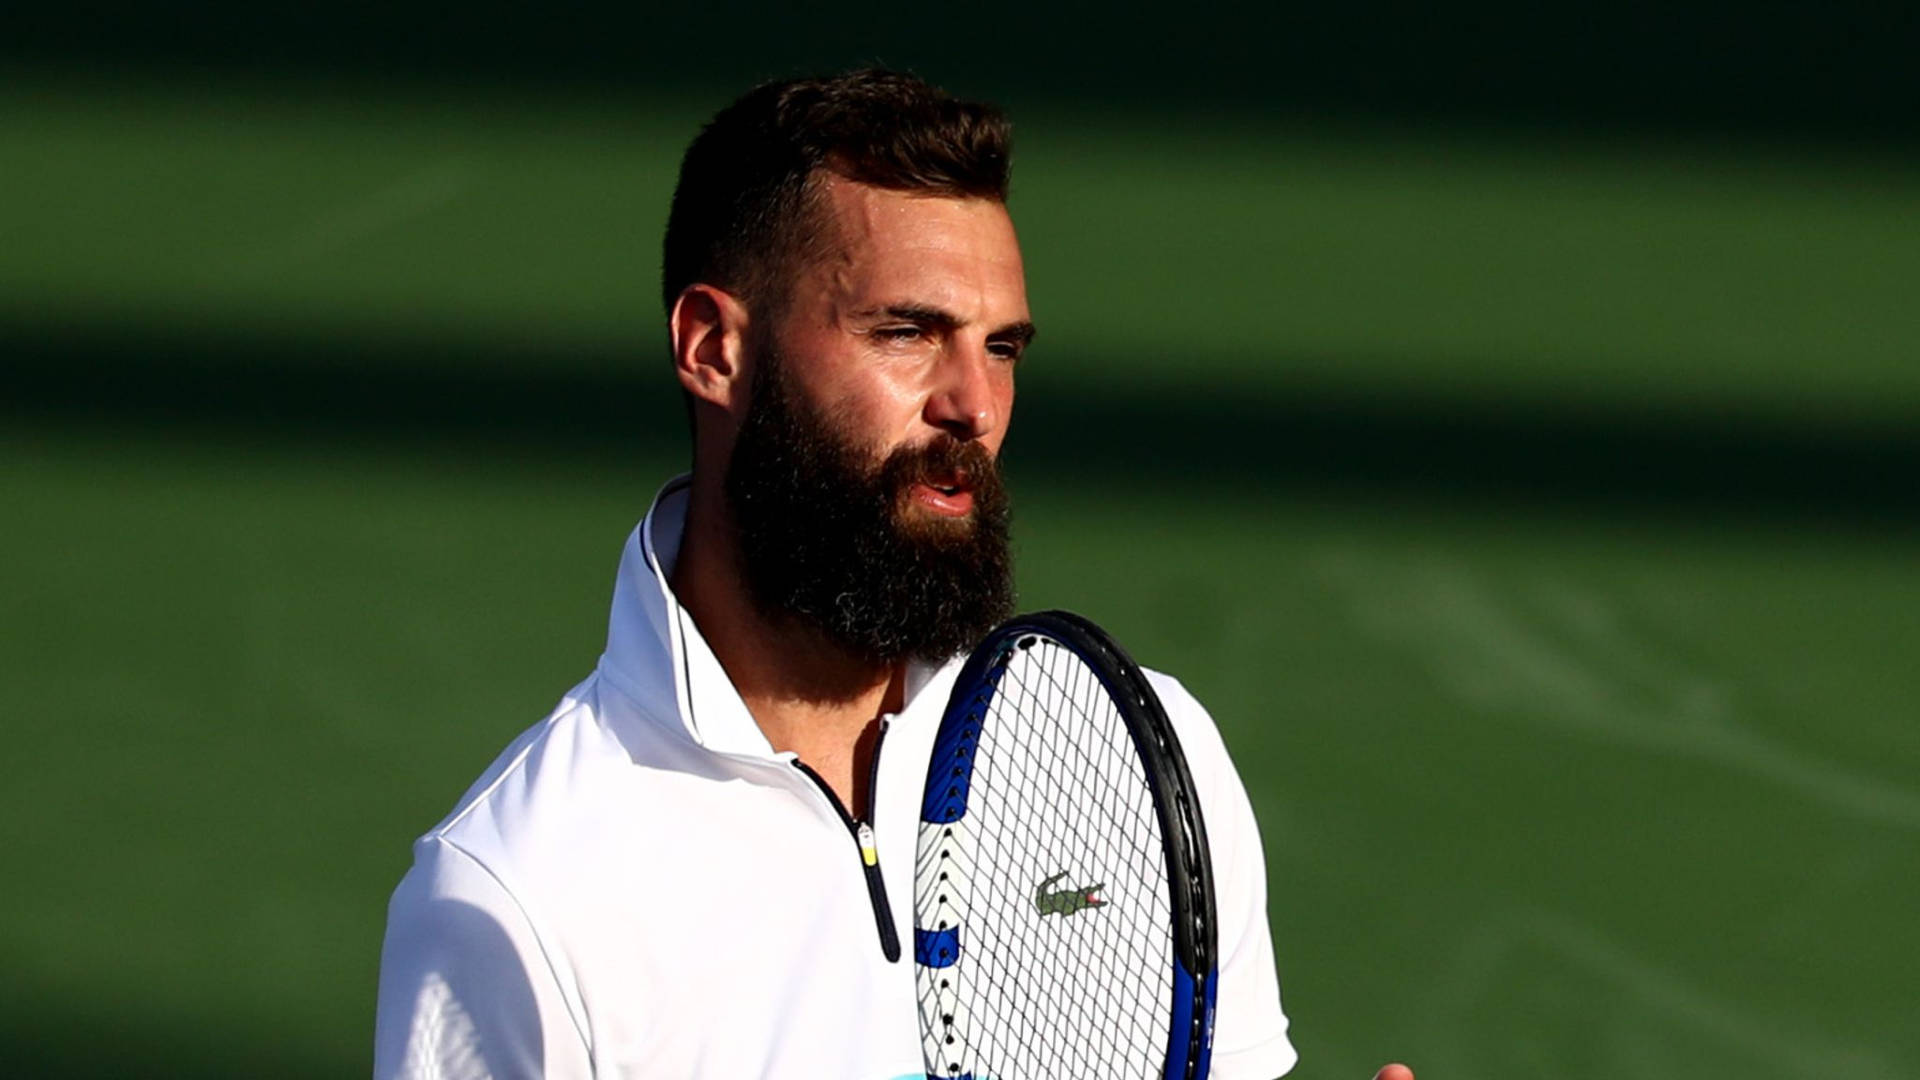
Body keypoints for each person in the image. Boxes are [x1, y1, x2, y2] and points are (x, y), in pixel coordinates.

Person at [374, 68, 1412, 1080]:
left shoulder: (1141, 757)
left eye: (1001, 347)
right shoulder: (520, 895)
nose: (976, 404)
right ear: (713, 349)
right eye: (908, 332)